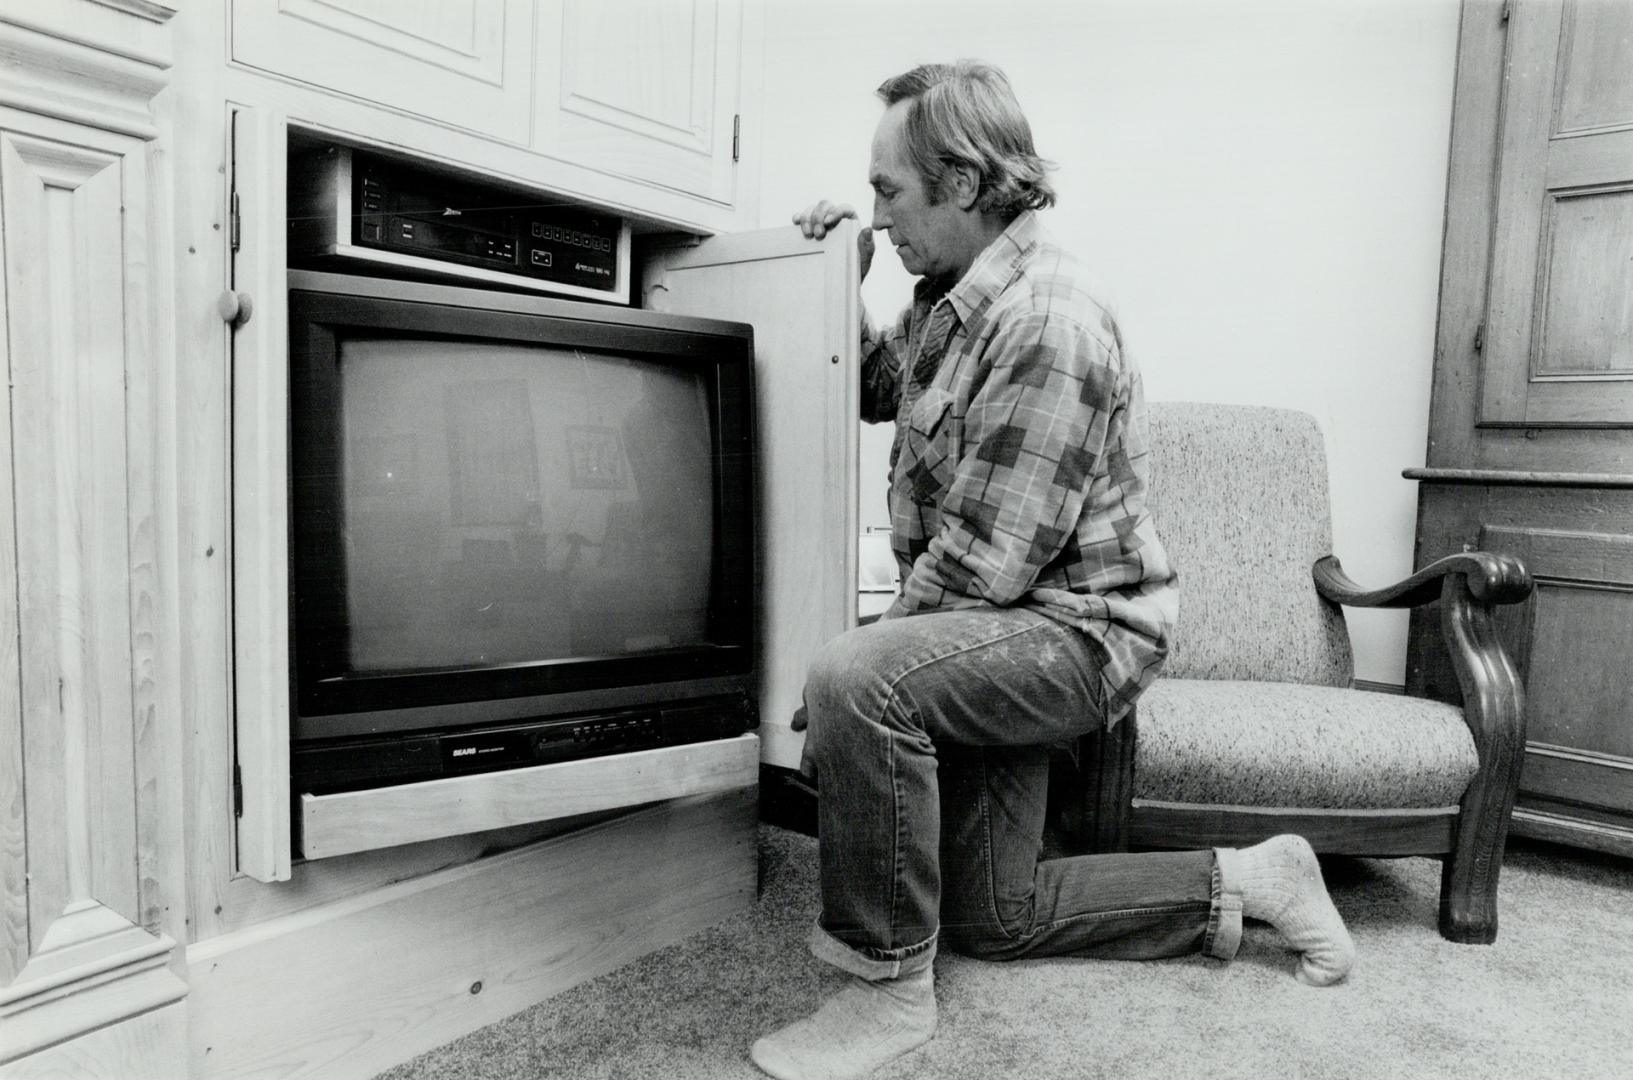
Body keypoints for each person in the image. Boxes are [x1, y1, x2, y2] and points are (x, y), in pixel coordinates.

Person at [748, 61, 1355, 1080]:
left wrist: (849, 680)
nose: (875, 211)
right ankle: (1253, 881)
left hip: (1078, 635)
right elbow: (876, 392)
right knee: (996, 916)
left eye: (888, 189)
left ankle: (879, 987)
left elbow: (981, 565)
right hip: (1009, 623)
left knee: (856, 677)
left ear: (966, 184)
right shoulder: (952, 297)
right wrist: (834, 289)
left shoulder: (1044, 321)